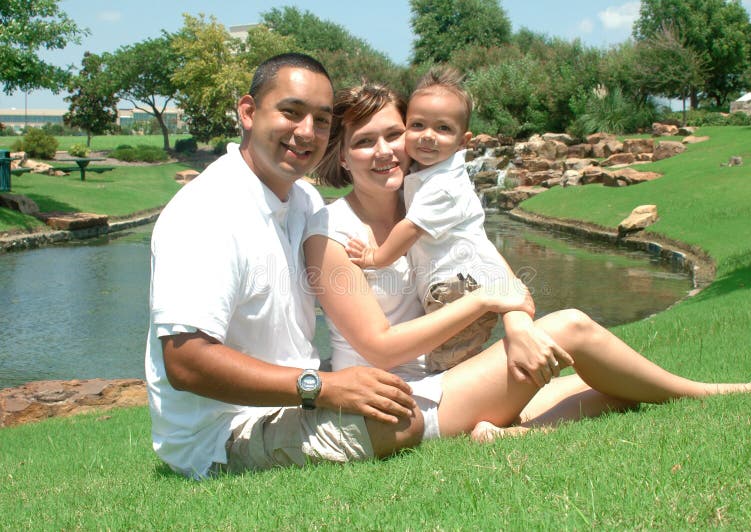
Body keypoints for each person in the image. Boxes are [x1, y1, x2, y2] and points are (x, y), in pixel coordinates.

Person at [303, 81, 751, 444]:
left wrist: (516, 326)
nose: (386, 152)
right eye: (365, 142)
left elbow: (511, 286)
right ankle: (705, 393)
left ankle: (513, 434)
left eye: (393, 134)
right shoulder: (331, 232)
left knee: (614, 385)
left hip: (446, 379)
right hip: (397, 404)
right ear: (341, 155)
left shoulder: (431, 213)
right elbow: (382, 348)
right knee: (570, 326)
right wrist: (485, 302)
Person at [144, 54, 527, 479]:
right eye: (291, 112)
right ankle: (496, 418)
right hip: (224, 437)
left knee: (550, 356)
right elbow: (185, 363)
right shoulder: (206, 212)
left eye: (321, 120)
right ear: (249, 112)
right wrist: (321, 387)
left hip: (294, 403)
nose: (306, 131)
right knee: (399, 416)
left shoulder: (304, 202)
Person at [346, 66, 508, 373]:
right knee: (458, 360)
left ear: (464, 141)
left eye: (443, 129)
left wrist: (375, 256)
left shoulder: (444, 185)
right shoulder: (426, 172)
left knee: (449, 367)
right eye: (418, 125)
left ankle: (481, 417)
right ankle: (485, 415)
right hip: (457, 286)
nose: (428, 137)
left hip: (457, 288)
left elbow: (410, 228)